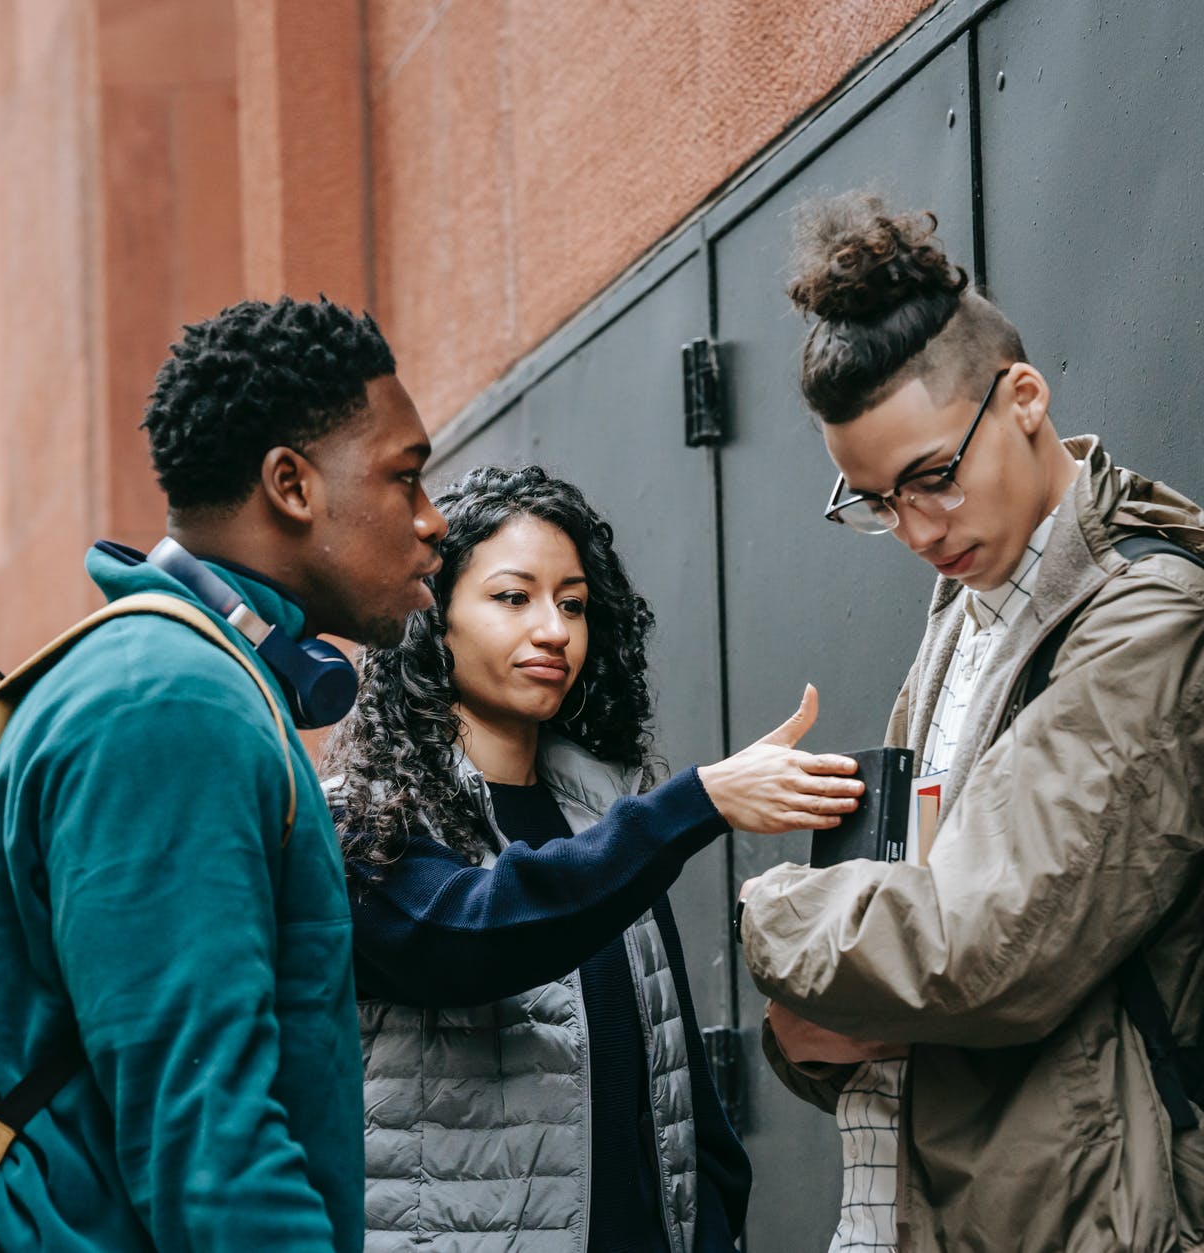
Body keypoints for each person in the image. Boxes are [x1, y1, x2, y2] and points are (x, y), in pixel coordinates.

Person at [736, 193, 1204, 1251]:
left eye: (933, 475)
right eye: (876, 501)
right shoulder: (970, 604)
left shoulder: (1146, 619)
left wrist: (777, 919)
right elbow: (925, 924)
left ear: (1022, 396)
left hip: (1104, 1212)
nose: (916, 527)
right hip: (961, 1196)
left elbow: (988, 944)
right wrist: (819, 1034)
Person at [0, 296, 445, 1251]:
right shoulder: (168, 705)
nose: (434, 522)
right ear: (291, 484)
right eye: (406, 478)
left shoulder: (191, 685)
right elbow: (206, 1146)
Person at [326, 464, 863, 1251]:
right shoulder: (364, 820)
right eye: (513, 597)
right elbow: (481, 932)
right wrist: (698, 800)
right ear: (433, 617)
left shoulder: (605, 817)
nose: (553, 630)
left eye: (572, 603)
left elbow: (681, 1089)